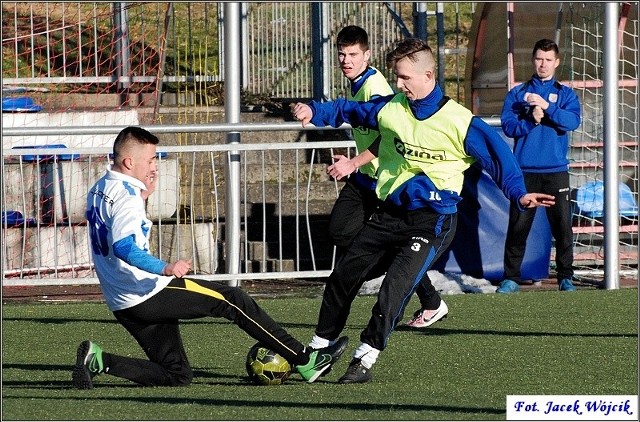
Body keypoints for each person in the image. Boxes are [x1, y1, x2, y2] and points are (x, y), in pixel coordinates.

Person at [292, 38, 555, 383]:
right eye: (396, 78)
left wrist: (518, 194)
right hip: (389, 214)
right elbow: (349, 110)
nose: (399, 85)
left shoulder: (461, 122)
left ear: (428, 75)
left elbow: (499, 160)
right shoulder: (392, 108)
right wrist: (316, 112)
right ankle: (319, 347)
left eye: (404, 78)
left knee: (394, 290)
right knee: (343, 277)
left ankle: (364, 359)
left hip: (433, 221)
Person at [73, 126, 348, 389]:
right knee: (233, 300)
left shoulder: (101, 186)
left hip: (123, 301)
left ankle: (99, 360)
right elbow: (124, 247)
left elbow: (116, 230)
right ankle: (306, 360)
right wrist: (165, 267)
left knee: (176, 374)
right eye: (151, 159)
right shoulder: (126, 196)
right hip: (147, 291)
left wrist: (144, 195)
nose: (155, 165)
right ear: (130, 162)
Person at [316, 25, 448, 333]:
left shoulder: (375, 87)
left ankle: (425, 299)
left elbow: (388, 137)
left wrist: (352, 163)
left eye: (353, 55)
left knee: (374, 240)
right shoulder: (358, 82)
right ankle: (429, 299)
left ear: (367, 55)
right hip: (365, 177)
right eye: (341, 55)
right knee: (340, 231)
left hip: (382, 180)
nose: (346, 61)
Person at [497, 38, 581, 294]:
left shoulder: (565, 94)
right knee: (519, 227)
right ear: (533, 60)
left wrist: (548, 108)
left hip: (556, 172)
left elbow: (572, 122)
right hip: (524, 172)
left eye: (548, 60)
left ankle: (565, 277)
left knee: (563, 228)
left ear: (556, 62)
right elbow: (509, 126)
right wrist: (530, 121)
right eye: (539, 59)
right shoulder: (518, 93)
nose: (543, 64)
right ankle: (510, 278)